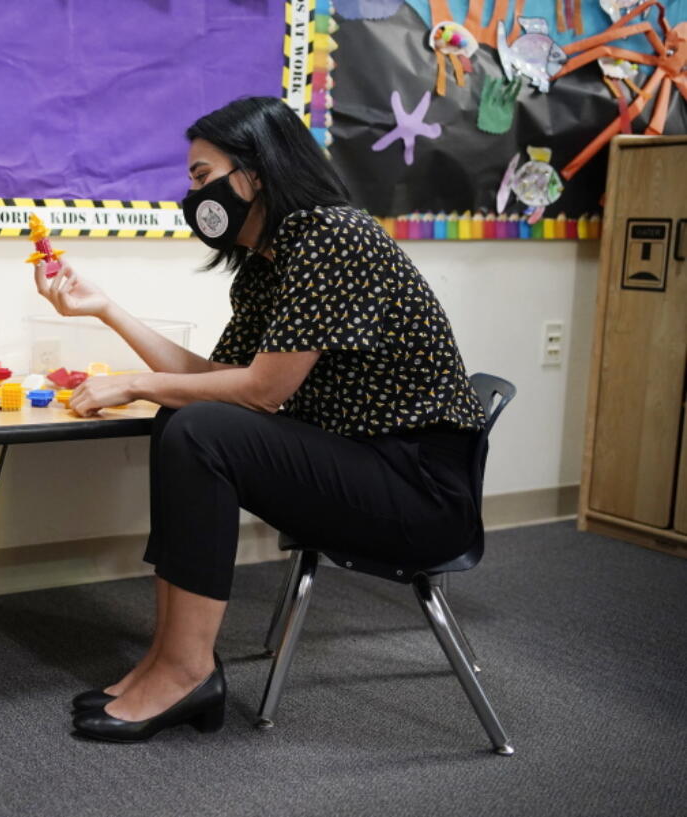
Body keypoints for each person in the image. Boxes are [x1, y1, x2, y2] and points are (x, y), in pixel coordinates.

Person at [32, 97, 486, 742]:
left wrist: (131, 381)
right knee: (182, 416)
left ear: (254, 171)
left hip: (419, 494)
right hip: (361, 467)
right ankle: (171, 658)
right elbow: (215, 379)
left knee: (201, 427)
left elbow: (264, 392)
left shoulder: (334, 237)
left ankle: (186, 669)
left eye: (200, 175)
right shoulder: (268, 266)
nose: (193, 194)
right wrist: (105, 310)